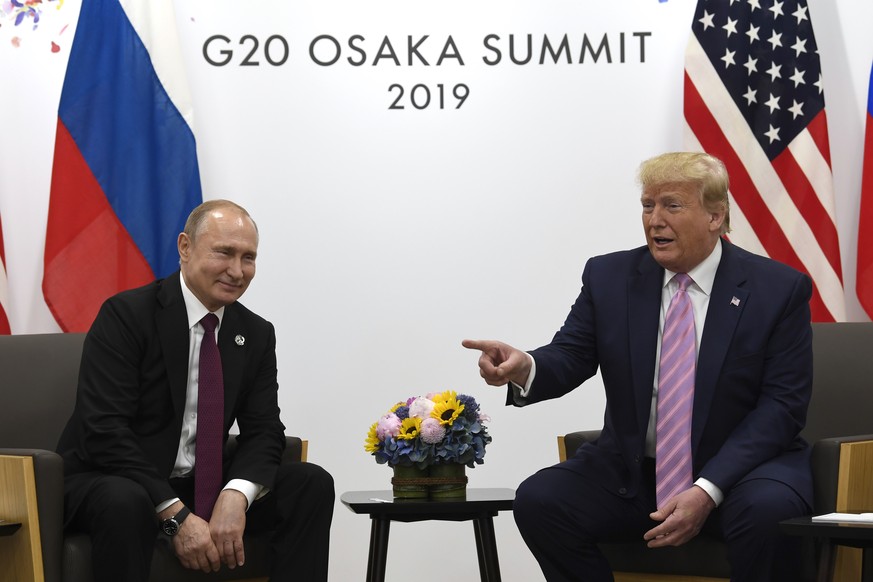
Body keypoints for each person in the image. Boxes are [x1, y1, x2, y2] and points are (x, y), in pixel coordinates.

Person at [463, 152, 813, 582]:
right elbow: (572, 354)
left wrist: (706, 490)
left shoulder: (777, 289)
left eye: (672, 205)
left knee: (770, 513)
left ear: (715, 217)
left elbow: (782, 407)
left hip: (741, 474)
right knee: (540, 499)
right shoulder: (609, 277)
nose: (655, 220)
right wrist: (524, 367)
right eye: (648, 206)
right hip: (635, 473)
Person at [57, 199, 334, 582]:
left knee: (310, 483)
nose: (237, 271)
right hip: (111, 481)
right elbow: (103, 431)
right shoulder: (126, 315)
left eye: (248, 258)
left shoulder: (255, 333)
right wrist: (176, 518)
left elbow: (265, 430)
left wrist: (236, 496)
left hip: (199, 485)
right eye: (224, 253)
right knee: (126, 500)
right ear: (185, 247)